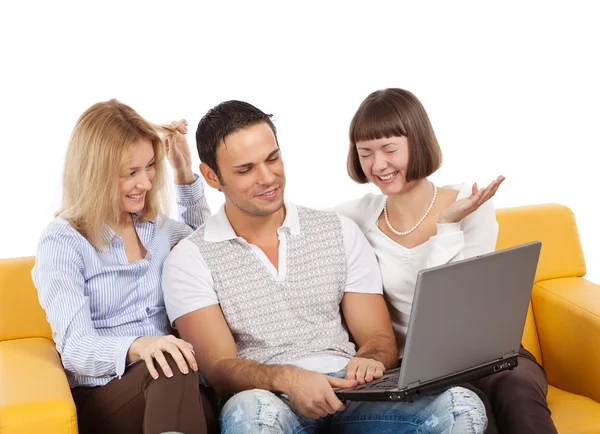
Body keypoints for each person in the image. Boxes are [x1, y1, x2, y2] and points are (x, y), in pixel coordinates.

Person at [162, 99, 487, 433]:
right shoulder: (190, 257)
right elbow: (219, 369)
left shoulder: (339, 230)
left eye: (273, 159)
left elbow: (377, 336)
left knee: (460, 405)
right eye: (245, 170)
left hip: (354, 393)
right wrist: (288, 379)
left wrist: (371, 359)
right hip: (268, 398)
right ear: (212, 176)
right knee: (252, 413)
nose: (267, 177)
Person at [335, 88, 557, 434]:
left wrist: (448, 225)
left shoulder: (471, 203)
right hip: (417, 370)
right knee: (467, 410)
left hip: (488, 355)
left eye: (389, 149)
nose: (378, 165)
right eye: (366, 153)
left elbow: (456, 306)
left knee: (517, 392)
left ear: (418, 141)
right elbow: (290, 222)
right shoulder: (357, 216)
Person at [31, 99, 216, 434]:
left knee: (206, 386)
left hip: (177, 385)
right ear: (95, 175)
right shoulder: (63, 241)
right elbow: (75, 348)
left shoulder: (158, 228)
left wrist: (182, 171)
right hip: (105, 394)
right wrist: (140, 345)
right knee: (172, 364)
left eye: (149, 167)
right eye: (131, 173)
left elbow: (212, 248)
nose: (145, 183)